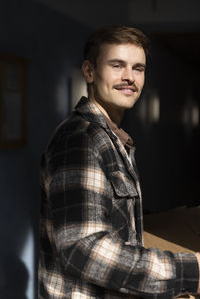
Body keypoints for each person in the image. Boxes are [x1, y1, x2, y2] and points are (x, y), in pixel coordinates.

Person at [38, 25, 200, 298]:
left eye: (138, 68)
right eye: (117, 65)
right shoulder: (80, 141)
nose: (129, 78)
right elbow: (83, 247)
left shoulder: (112, 138)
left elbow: (106, 218)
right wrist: (191, 272)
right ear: (89, 71)